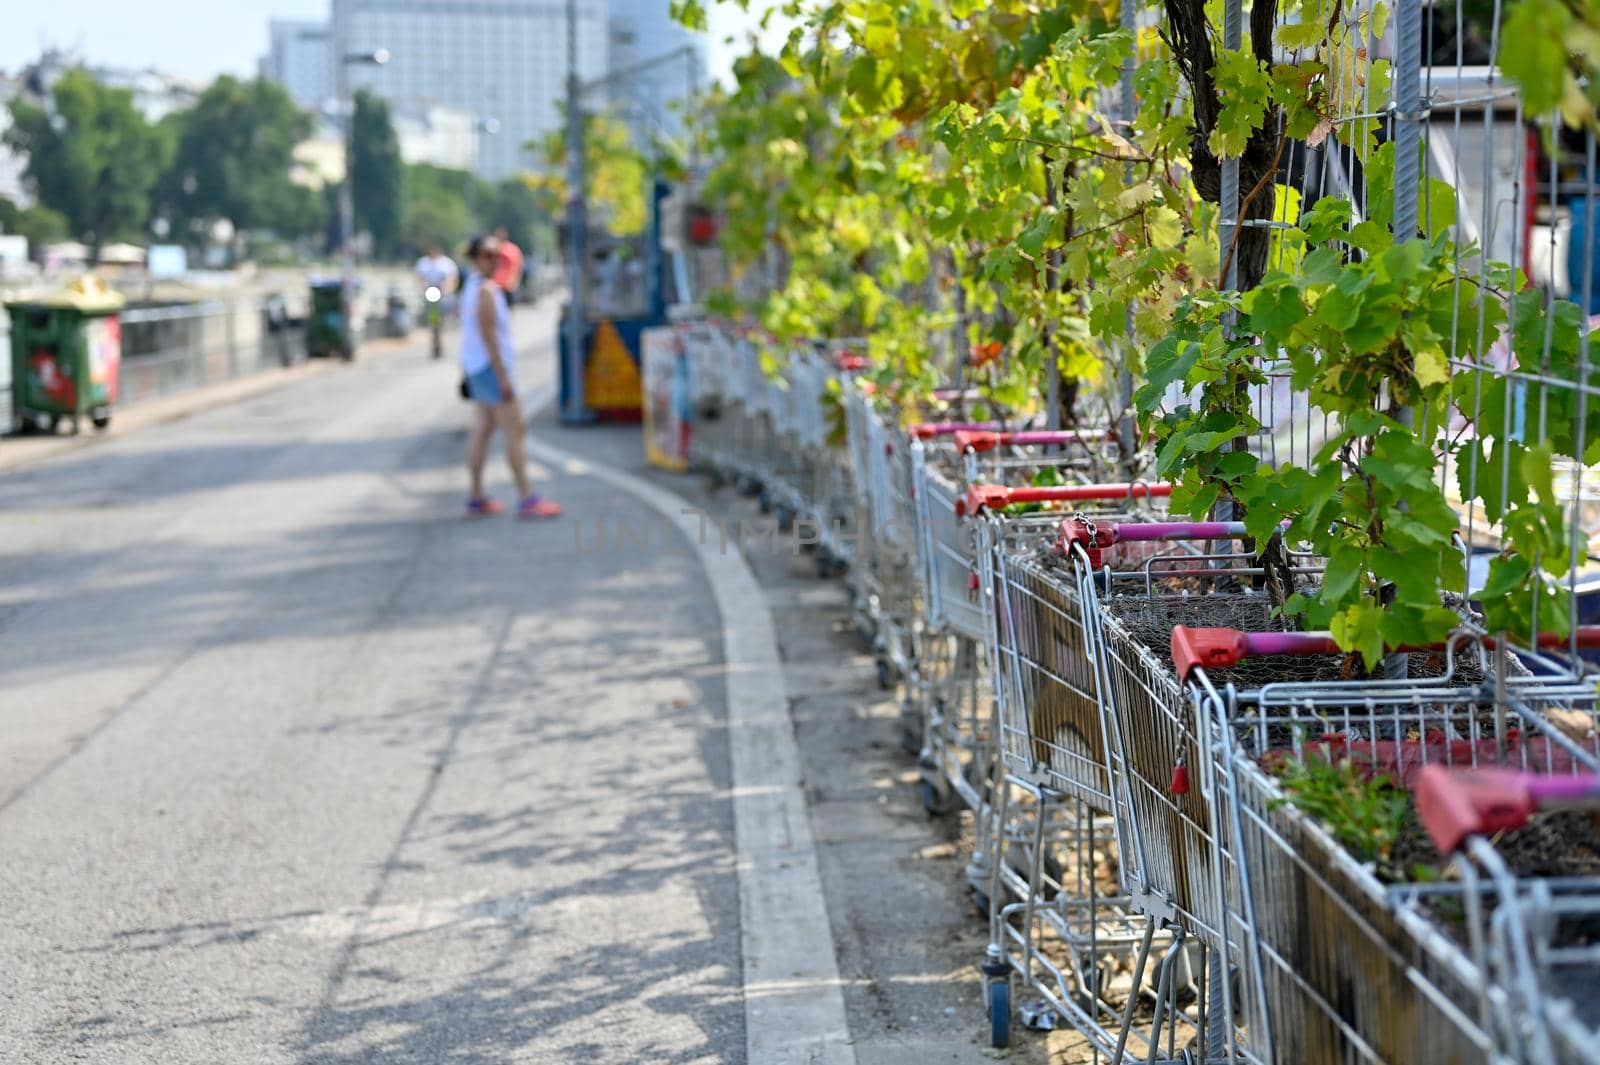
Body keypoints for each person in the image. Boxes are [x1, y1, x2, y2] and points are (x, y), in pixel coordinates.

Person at [459, 234, 561, 519]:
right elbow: (489, 334)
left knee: (482, 429)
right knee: (515, 430)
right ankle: (527, 497)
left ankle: (477, 496)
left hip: (478, 367)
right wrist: (502, 376)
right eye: (488, 255)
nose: (494, 261)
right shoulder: (487, 292)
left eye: (497, 255)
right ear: (477, 259)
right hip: (492, 369)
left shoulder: (473, 285)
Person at [491, 225, 524, 305]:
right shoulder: (492, 248)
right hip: (494, 285)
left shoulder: (512, 249)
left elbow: (518, 266)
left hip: (507, 286)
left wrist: (515, 281)